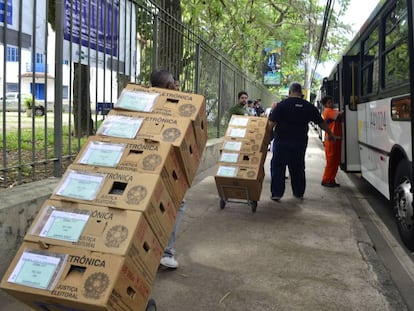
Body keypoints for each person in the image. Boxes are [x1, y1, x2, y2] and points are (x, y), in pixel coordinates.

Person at [267, 82, 339, 201]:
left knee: (278, 167)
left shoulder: (281, 105)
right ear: (301, 93)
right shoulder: (308, 106)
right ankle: (298, 192)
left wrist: (267, 138)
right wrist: (331, 134)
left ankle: (277, 193)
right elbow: (321, 123)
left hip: (281, 142)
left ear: (289, 92)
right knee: (298, 167)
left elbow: (271, 125)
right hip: (299, 143)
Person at [150, 69, 185, 269]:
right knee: (178, 202)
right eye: (173, 83)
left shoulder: (146, 100)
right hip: (166, 163)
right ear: (170, 86)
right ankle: (167, 252)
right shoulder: (174, 104)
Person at [321, 95, 344, 187]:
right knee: (331, 161)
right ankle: (326, 179)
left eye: (331, 102)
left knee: (335, 161)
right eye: (329, 102)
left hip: (335, 138)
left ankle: (331, 179)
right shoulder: (328, 111)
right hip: (331, 140)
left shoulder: (330, 111)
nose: (331, 104)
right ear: (325, 104)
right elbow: (340, 114)